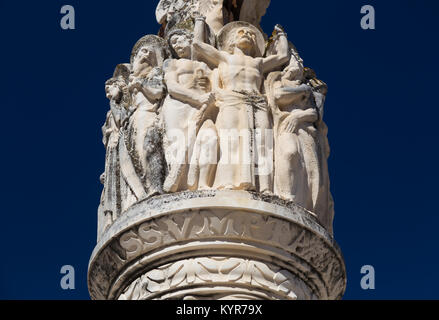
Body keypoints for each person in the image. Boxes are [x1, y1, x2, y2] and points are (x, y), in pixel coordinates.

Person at [192, 18, 290, 192]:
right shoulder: (224, 58)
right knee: (230, 140)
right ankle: (227, 181)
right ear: (231, 41)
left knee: (263, 142)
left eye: (251, 34)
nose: (247, 35)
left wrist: (281, 36)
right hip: (232, 99)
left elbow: (283, 56)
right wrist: (199, 21)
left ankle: (265, 187)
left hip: (257, 102)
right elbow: (198, 44)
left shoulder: (258, 63)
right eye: (242, 32)